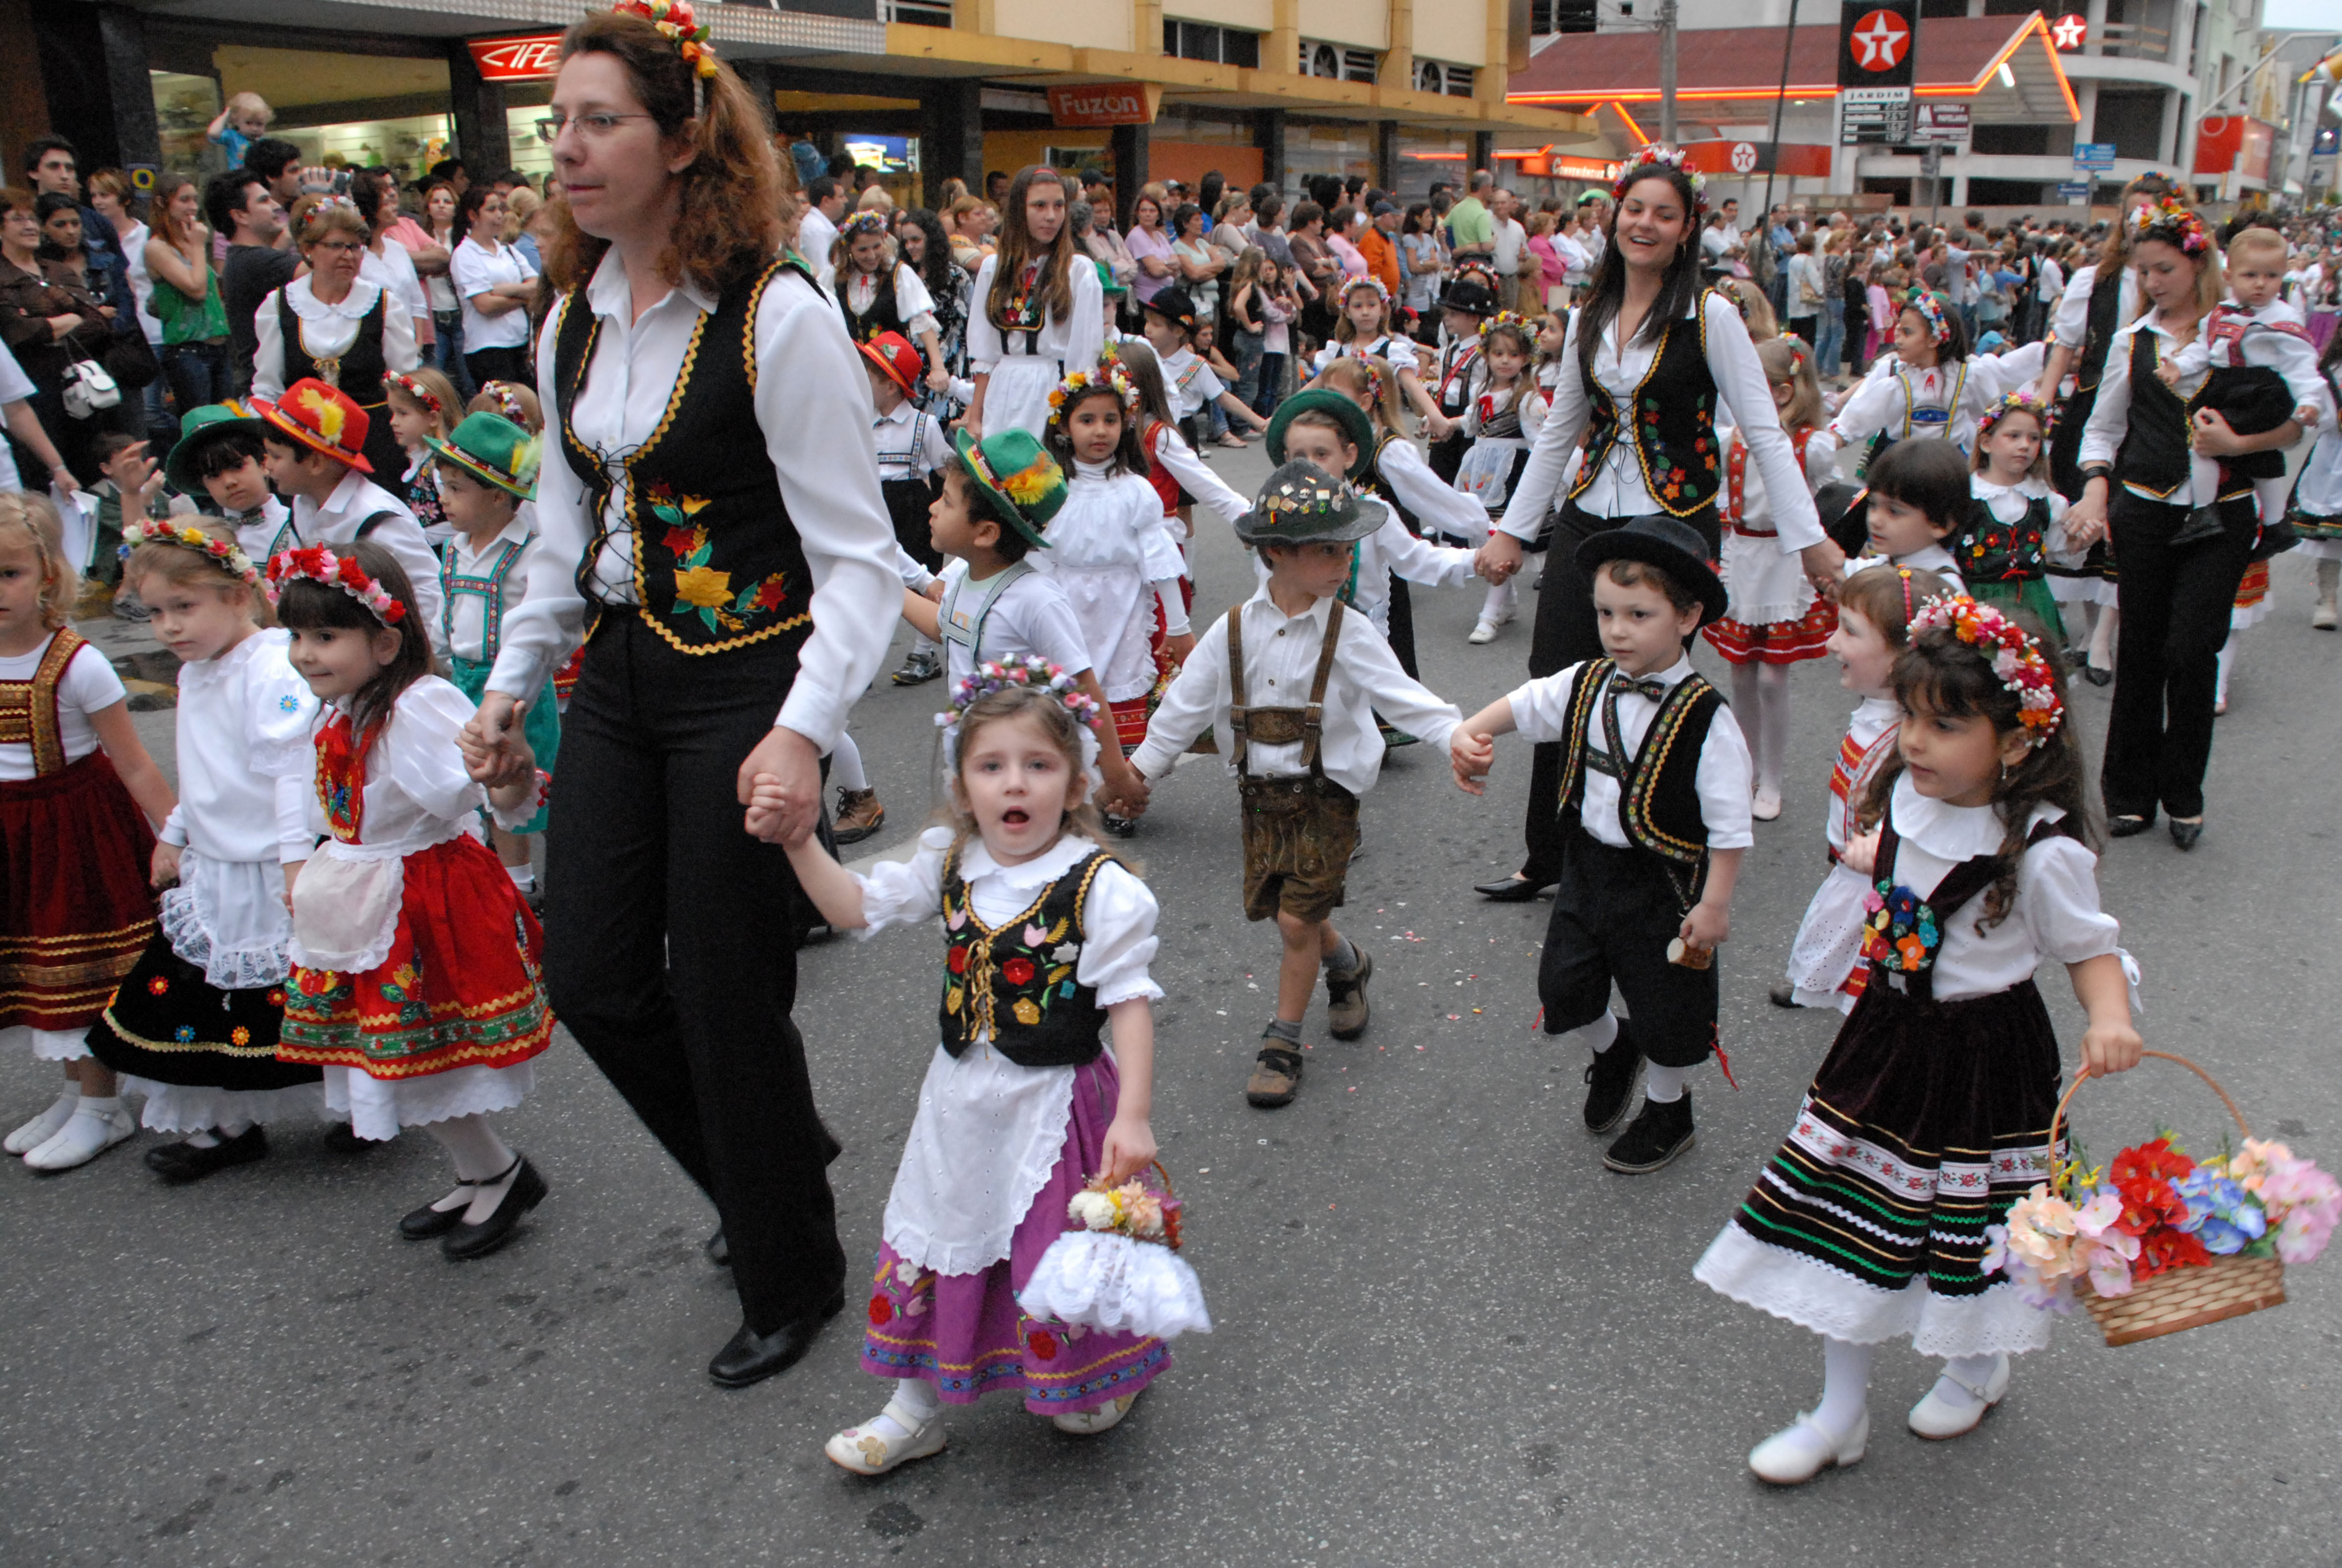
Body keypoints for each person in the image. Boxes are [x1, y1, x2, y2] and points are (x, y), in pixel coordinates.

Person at [461, 5, 902, 1391]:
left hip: (749, 684)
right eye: (557, 128)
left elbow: (863, 564)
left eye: (600, 122)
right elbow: (557, 524)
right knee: (590, 973)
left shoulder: (780, 318)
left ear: (685, 139)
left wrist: (800, 729)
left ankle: (796, 1265)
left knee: (722, 992)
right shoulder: (573, 318)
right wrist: (505, 686)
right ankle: (764, 1158)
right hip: (618, 675)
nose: (569, 153)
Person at [1695, 595, 2141, 1485]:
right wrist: (1873, 859)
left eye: (1944, 723)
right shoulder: (1902, 792)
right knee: (1841, 1220)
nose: (1915, 741)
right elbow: (1896, 873)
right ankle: (1837, 1413)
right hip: (1883, 1039)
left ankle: (1975, 1362)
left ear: (2014, 741)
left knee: (1970, 1230)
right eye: (1909, 716)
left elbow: (2086, 946)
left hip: (1984, 1058)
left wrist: (2109, 1015)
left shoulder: (2039, 848)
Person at [768, 666, 1168, 1474]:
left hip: (1054, 1104)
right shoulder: (949, 861)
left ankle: (1093, 1374)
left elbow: (1127, 1001)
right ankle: (914, 1407)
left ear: (1075, 778)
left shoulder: (1099, 888)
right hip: (957, 1103)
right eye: (991, 765)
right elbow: (851, 905)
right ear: (962, 782)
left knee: (1054, 1242)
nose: (1013, 782)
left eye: (1037, 764)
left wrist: (1131, 1113)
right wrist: (796, 839)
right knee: (943, 1231)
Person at [1473, 146, 1840, 903]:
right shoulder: (1588, 314)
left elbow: (1766, 433)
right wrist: (1512, 529)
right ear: (1614, 218)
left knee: (1645, 684)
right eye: (1634, 209)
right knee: (1557, 680)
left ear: (1686, 230)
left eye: (1664, 214)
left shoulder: (1713, 317)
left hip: (1674, 525)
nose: (1645, 224)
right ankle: (1548, 854)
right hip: (1588, 519)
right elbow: (1559, 430)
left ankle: (1647, 844)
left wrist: (1810, 540)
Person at [1130, 461, 1462, 1109]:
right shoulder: (1232, 631)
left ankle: (1281, 1043)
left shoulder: (1350, 630)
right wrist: (1143, 769)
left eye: (1348, 549)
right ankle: (1346, 964)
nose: (1344, 562)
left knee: (1293, 919)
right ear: (1276, 553)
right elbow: (1182, 707)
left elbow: (1403, 695)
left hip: (1328, 797)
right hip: (1260, 798)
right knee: (1293, 915)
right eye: (1328, 550)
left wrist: (1456, 737)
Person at [270, 541, 553, 1258]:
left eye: (326, 635)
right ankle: (481, 1169)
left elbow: (487, 794)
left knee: (428, 1056)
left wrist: (504, 770)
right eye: (297, 635)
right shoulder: (343, 707)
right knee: (394, 1057)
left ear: (386, 641)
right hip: (370, 897)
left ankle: (498, 1171)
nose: (306, 653)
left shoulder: (415, 705)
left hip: (424, 900)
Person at [1450, 515, 1749, 1174]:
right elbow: (1528, 704)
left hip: (1665, 884)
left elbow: (1730, 825)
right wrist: (1472, 730)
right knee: (1565, 986)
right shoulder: (1587, 680)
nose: (1617, 629)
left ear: (1689, 615)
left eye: (1639, 613)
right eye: (1606, 612)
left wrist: (1717, 903)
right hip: (1588, 865)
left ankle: (1670, 1108)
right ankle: (1614, 1048)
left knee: (1669, 1005)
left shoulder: (1708, 718)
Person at [83, 519, 324, 1178]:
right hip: (216, 865)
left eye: (184, 607)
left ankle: (358, 1103)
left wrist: (293, 859)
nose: (169, 627)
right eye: (156, 612)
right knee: (209, 1002)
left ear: (238, 595)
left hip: (270, 865)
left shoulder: (271, 664)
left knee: (301, 996)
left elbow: (289, 771)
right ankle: (228, 1122)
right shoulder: (198, 671)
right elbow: (203, 768)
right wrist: (177, 831)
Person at [2069, 197, 2303, 850]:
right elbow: (2104, 426)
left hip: (2222, 513)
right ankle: (2130, 793)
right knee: (2141, 648)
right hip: (2142, 506)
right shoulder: (2132, 341)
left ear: (2199, 265)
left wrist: (2236, 445)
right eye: (2144, 271)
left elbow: (2294, 421)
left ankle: (2185, 789)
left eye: (2164, 268)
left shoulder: (2244, 336)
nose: (2153, 282)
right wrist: (2094, 490)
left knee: (2192, 647)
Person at [0, 492, 175, 1171]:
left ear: (48, 573)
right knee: (36, 974)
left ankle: (103, 1105)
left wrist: (176, 836)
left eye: (10, 572)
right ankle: (75, 1091)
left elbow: (133, 763)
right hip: (14, 833)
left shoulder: (78, 664)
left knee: (80, 970)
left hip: (75, 834)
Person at [1772, 563, 1951, 1014]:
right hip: (1854, 878)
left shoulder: (1911, 740)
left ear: (1901, 657)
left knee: (1878, 1001)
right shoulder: (1877, 714)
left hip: (1888, 891)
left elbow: (1934, 814)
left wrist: (1885, 845)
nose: (1832, 642)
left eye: (1849, 632)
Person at [1032, 358, 1183, 817]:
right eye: (1087, 420)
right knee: (1065, 694)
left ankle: (1117, 795)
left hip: (1122, 604)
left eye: (1111, 420)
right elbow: (1034, 555)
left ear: (1126, 424)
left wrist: (1179, 624)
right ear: (1063, 426)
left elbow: (1158, 558)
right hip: (1064, 603)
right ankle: (1075, 789)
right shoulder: (1049, 488)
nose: (1101, 431)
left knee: (1118, 691)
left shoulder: (1136, 490)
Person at [1702, 335, 1838, 820]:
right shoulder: (1730, 439)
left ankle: (1773, 778)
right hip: (1743, 558)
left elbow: (1827, 497)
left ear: (1780, 393)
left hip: (1785, 562)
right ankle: (1747, 767)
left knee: (1771, 678)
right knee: (1740, 671)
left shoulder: (1811, 447)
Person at [428, 410, 560, 907]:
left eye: (457, 488)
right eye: (444, 485)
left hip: (516, 689)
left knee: (529, 781)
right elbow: (448, 615)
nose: (444, 497)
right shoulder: (455, 549)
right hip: (462, 681)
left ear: (499, 496)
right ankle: (508, 878)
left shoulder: (528, 550)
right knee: (481, 783)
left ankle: (540, 878)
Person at [1261, 387, 1480, 645]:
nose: (1310, 464)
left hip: (1358, 645)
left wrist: (1477, 560)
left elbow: (1416, 557)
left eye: (1321, 454)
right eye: (1300, 456)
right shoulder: (1273, 514)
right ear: (1287, 460)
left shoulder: (1372, 512)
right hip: (1294, 646)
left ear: (1349, 456)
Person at [249, 377, 447, 653]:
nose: (267, 466)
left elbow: (428, 594)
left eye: (276, 456)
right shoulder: (303, 504)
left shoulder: (378, 519)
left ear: (316, 463)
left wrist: (416, 657)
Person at [252, 197, 421, 483]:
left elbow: (404, 380)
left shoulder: (382, 304)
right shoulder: (280, 305)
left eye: (356, 247)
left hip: (375, 445)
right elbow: (269, 386)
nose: (349, 255)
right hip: (305, 449)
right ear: (308, 250)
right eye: (336, 246)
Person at [2189, 227, 2333, 539]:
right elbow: (2204, 347)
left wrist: (2309, 401)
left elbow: (2302, 367)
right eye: (2250, 275)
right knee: (2256, 458)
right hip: (2226, 387)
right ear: (2229, 277)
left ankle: (2205, 512)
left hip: (2262, 393)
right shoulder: (2221, 313)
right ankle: (2272, 525)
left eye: (2271, 276)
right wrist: (2179, 366)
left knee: (2206, 448)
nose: (2260, 284)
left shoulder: (2284, 318)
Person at [0, 187, 129, 482]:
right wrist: (68, 319)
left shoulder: (57, 271)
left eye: (33, 219)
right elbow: (18, 332)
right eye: (18, 219)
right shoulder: (3, 276)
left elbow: (96, 323)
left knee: (89, 469)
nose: (30, 226)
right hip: (32, 392)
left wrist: (47, 324)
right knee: (39, 474)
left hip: (81, 387)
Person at [965, 167, 1104, 440]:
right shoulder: (994, 269)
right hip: (1002, 391)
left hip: (1052, 389)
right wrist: (975, 417)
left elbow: (1086, 356)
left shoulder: (1079, 271)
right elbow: (985, 351)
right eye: (1039, 206)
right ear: (1019, 210)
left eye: (1059, 205)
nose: (1051, 216)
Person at [861, 331, 952, 688]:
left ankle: (924, 652)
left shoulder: (923, 424)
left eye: (868, 375)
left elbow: (944, 467)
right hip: (873, 503)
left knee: (921, 577)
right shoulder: (861, 421)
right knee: (866, 578)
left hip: (911, 505)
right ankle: (862, 656)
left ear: (891, 386)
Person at [1454, 312, 1545, 643]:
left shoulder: (1528, 399)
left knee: (1499, 542)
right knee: (1482, 537)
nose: (1505, 360)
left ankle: (1489, 616)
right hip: (1480, 471)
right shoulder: (1482, 390)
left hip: (1511, 473)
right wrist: (1440, 423)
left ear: (1526, 358)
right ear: (1487, 355)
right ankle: (1507, 603)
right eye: (1499, 353)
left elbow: (1542, 443)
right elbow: (1471, 424)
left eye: (1514, 354)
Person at [1960, 390, 2071, 642]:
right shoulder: (1965, 497)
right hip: (1977, 604)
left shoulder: (2047, 500)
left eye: (2034, 438)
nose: (2025, 445)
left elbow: (2059, 550)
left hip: (2034, 605)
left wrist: (2081, 538)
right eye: (2014, 436)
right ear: (1986, 442)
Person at [143, 173, 231, 414]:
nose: (192, 207)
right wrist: (199, 247)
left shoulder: (191, 240)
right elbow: (197, 289)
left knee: (227, 421)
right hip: (188, 351)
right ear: (163, 203)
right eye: (184, 200)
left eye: (194, 199)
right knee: (201, 424)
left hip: (219, 345)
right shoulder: (157, 247)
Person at [166, 402, 286, 560]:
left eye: (237, 466)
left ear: (263, 464)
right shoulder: (203, 542)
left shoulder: (299, 523)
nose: (229, 482)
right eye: (213, 475)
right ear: (204, 485)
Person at [448, 184, 538, 388]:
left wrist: (503, 290)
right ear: (473, 215)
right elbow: (485, 305)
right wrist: (523, 295)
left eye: (500, 209)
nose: (499, 215)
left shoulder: (508, 250)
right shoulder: (465, 254)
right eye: (491, 210)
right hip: (488, 347)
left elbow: (536, 285)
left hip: (520, 343)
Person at [1855, 437, 1970, 588]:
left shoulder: (1942, 589)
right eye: (1873, 504)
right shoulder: (1885, 562)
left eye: (1894, 511)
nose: (1875, 520)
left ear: (1940, 525)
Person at [2288, 330, 2342, 629]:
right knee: (2333, 539)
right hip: (2334, 460)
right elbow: (2319, 414)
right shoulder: (2330, 372)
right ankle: (2328, 598)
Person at [1424, 276, 1495, 484]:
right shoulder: (1448, 350)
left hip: (1468, 424)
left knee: (1465, 481)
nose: (1447, 318)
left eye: (1454, 314)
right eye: (1446, 313)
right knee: (1438, 479)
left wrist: (1454, 422)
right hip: (1443, 417)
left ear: (1474, 319)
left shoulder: (1483, 354)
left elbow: (1481, 398)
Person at [384, 366, 462, 549]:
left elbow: (462, 521)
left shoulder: (440, 467)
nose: (393, 421)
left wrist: (421, 538)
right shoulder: (421, 459)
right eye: (393, 413)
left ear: (433, 418)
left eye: (403, 413)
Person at [797, 175, 846, 286]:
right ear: (826, 201)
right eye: (841, 196)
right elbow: (822, 274)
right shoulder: (816, 230)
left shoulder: (819, 226)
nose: (846, 200)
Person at [207, 92, 275, 169]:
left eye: (260, 124)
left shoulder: (265, 142)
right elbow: (213, 133)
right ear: (236, 121)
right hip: (240, 178)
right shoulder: (232, 136)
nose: (255, 128)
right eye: (249, 123)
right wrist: (226, 114)